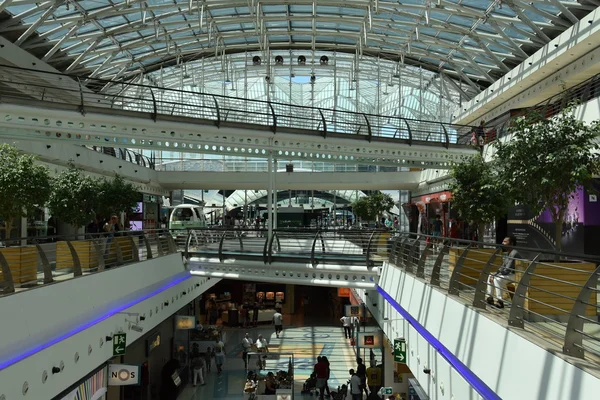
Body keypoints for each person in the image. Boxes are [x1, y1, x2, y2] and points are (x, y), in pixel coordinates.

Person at [486, 236, 521, 309]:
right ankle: (490, 298)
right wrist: (494, 274)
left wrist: (496, 275)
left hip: (516, 275)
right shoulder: (508, 252)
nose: (502, 243)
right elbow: (503, 266)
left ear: (511, 243)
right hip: (509, 274)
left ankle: (500, 301)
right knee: (490, 276)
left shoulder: (514, 253)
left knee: (497, 279)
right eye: (503, 241)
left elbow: (507, 269)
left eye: (505, 242)